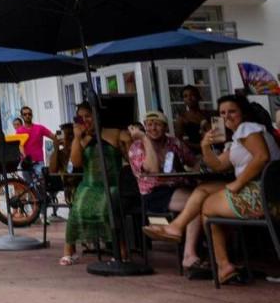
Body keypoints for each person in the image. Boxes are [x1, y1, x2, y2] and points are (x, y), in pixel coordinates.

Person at [144, 93, 280, 282]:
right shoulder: (238, 138)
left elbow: (262, 157)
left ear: (243, 113)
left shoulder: (247, 128)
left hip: (259, 194)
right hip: (265, 192)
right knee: (203, 190)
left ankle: (223, 265)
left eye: (232, 111)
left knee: (207, 207)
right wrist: (205, 146)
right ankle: (178, 228)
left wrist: (238, 183)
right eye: (222, 113)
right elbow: (217, 165)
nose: (227, 116)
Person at [60, 102, 130, 266]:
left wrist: (128, 140)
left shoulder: (114, 133)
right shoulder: (82, 140)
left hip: (112, 184)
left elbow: (130, 155)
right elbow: (76, 163)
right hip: (89, 184)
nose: (85, 120)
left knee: (107, 209)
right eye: (81, 117)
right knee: (75, 210)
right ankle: (69, 251)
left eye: (88, 116)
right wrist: (77, 138)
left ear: (97, 116)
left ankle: (120, 251)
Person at [127, 111, 192, 216]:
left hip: (178, 187)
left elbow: (193, 161)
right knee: (196, 202)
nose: (153, 128)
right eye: (149, 125)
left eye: (157, 124)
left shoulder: (174, 142)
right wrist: (144, 139)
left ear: (165, 127)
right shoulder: (137, 147)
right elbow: (153, 170)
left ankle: (184, 231)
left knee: (202, 197)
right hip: (154, 194)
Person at [18, 106, 55, 172]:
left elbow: (53, 136)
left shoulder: (40, 128)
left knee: (41, 181)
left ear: (32, 115)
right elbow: (20, 146)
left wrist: (63, 138)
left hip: (39, 162)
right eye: (25, 114)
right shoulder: (19, 131)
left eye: (29, 114)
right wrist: (25, 157)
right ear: (21, 116)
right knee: (27, 182)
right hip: (26, 164)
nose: (27, 116)